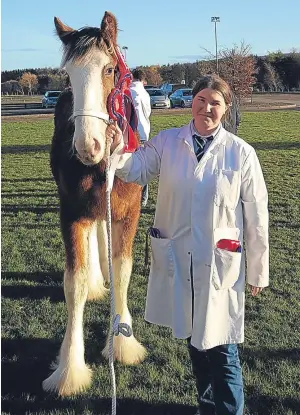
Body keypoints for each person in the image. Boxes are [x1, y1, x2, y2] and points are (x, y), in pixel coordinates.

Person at [106, 74, 269, 415]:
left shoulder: (241, 154)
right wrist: (117, 147)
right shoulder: (167, 143)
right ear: (191, 101)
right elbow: (135, 169)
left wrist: (258, 270)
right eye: (201, 99)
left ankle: (229, 411)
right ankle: (206, 406)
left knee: (223, 349)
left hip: (220, 266)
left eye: (215, 103)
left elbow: (256, 216)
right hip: (180, 258)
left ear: (225, 109)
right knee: (195, 341)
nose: (206, 108)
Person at [130, 68, 151, 207]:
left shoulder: (127, 90)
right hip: (142, 132)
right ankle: (144, 195)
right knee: (143, 164)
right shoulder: (144, 93)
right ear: (143, 80)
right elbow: (147, 112)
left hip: (129, 133)